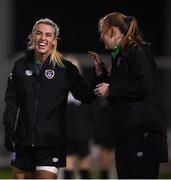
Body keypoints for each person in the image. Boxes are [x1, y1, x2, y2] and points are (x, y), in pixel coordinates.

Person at [3, 18, 96, 179]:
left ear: (54, 40)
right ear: (32, 37)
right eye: (38, 33)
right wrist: (9, 128)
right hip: (23, 143)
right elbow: (11, 101)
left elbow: (86, 96)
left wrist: (99, 76)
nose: (43, 38)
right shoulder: (20, 65)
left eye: (48, 35)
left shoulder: (65, 68)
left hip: (51, 144)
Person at [88, 12, 168, 179]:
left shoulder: (136, 50)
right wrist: (101, 73)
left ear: (113, 31)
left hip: (142, 133)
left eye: (102, 32)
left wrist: (110, 89)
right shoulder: (120, 55)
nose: (101, 37)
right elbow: (120, 90)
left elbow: (144, 85)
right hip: (127, 133)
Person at [63, 56, 92, 179]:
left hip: (82, 134)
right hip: (66, 134)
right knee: (68, 168)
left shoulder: (84, 88)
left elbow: (91, 113)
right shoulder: (59, 89)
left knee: (84, 168)